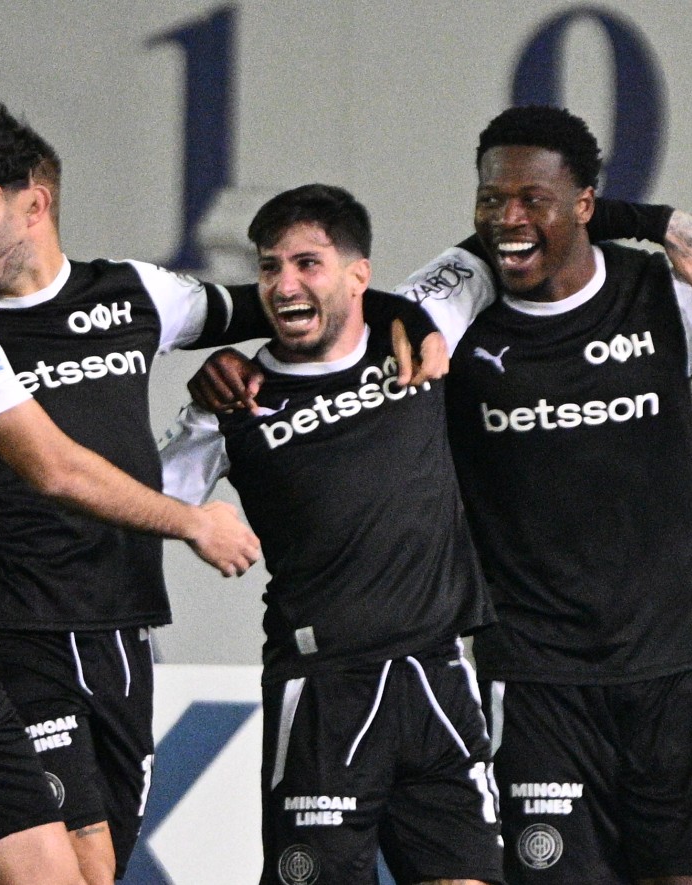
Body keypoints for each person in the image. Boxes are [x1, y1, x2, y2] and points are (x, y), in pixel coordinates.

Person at [0, 126, 444, 883]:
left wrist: (400, 313)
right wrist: (192, 521)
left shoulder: (123, 293)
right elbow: (28, 468)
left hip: (103, 628)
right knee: (75, 854)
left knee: (85, 873)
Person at [192, 107, 692, 885]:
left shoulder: (661, 293)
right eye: (490, 200)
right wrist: (233, 370)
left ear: (585, 204)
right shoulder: (456, 312)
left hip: (671, 662)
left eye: (532, 199)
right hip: (532, 674)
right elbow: (342, 337)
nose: (507, 218)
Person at [160, 184, 506, 885]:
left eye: (307, 263)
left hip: (437, 673)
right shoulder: (232, 401)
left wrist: (657, 225)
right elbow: (142, 500)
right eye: (269, 267)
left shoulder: (416, 334)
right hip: (325, 688)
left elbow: (510, 238)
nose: (284, 284)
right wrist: (193, 521)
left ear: (358, 275)